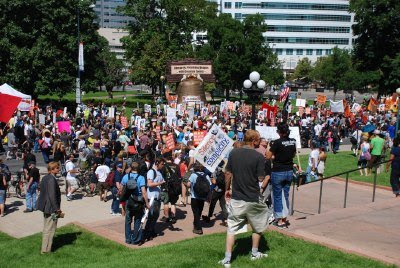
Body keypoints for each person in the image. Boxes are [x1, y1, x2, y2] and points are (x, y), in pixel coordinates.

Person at [219, 130, 270, 267]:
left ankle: (227, 259)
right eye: (259, 139)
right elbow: (260, 177)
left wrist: (227, 189)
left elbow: (228, 173)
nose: (260, 142)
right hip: (253, 197)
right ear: (253, 141)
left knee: (231, 228)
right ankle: (254, 253)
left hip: (238, 197)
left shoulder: (234, 153)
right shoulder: (259, 156)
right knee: (257, 226)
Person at [267, 123, 296, 228]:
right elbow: (293, 154)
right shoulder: (293, 141)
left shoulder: (277, 143)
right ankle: (284, 218)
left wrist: (271, 150)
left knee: (277, 196)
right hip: (288, 170)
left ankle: (279, 220)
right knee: (286, 195)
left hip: (278, 171)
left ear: (279, 132)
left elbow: (268, 156)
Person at [121, 162, 149, 245]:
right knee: (137, 220)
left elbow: (121, 189)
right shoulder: (141, 178)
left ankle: (128, 239)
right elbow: (144, 192)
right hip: (138, 202)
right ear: (138, 168)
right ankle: (135, 239)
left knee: (128, 220)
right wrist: (147, 203)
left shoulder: (126, 177)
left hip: (128, 201)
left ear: (131, 168)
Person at [36, 162, 62, 254]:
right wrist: (57, 209)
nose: (58, 169)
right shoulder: (51, 179)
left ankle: (45, 249)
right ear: (52, 169)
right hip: (51, 208)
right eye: (57, 168)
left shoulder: (45, 177)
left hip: (46, 207)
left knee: (47, 227)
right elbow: (52, 195)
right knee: (50, 229)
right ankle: (46, 250)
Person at [185, 162, 211, 235]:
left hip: (194, 197)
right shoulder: (206, 175)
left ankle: (198, 228)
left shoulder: (193, 175)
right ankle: (196, 223)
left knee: (195, 213)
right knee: (199, 212)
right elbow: (209, 186)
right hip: (202, 197)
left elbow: (189, 185)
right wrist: (208, 197)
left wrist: (186, 183)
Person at [144, 158, 165, 242]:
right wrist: (160, 183)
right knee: (151, 216)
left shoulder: (159, 172)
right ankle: (147, 233)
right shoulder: (151, 172)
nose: (162, 165)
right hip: (152, 198)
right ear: (157, 163)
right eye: (162, 164)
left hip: (158, 198)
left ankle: (151, 231)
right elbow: (149, 184)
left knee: (155, 216)